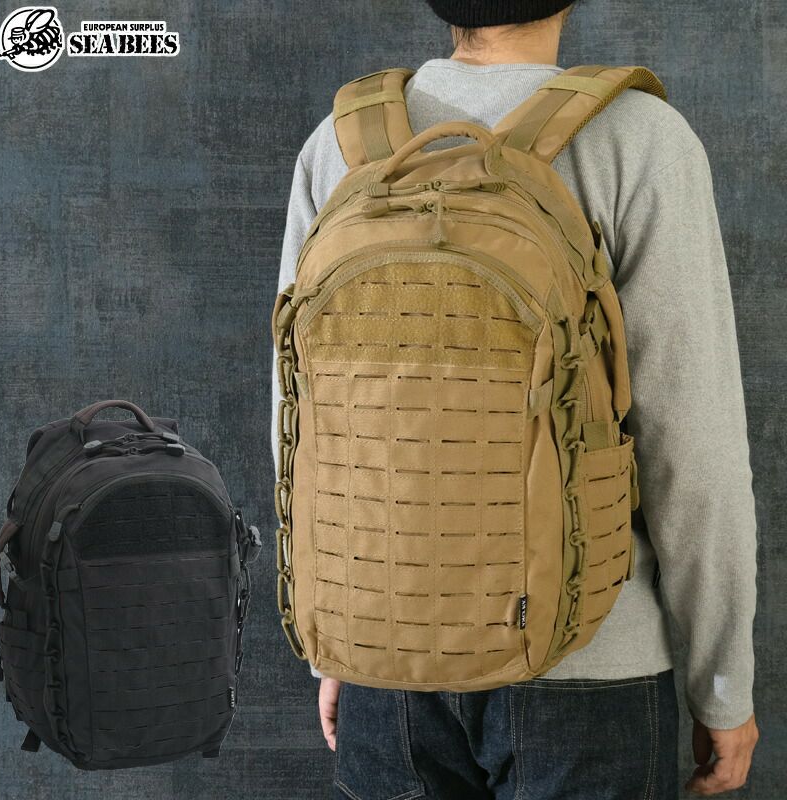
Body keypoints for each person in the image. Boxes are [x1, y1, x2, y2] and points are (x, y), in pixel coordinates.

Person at [272, 1, 760, 797]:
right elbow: (693, 451)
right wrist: (723, 686)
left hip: (382, 656)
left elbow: (299, 427)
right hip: (587, 667)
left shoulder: (339, 144)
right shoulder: (637, 140)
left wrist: (344, 641)